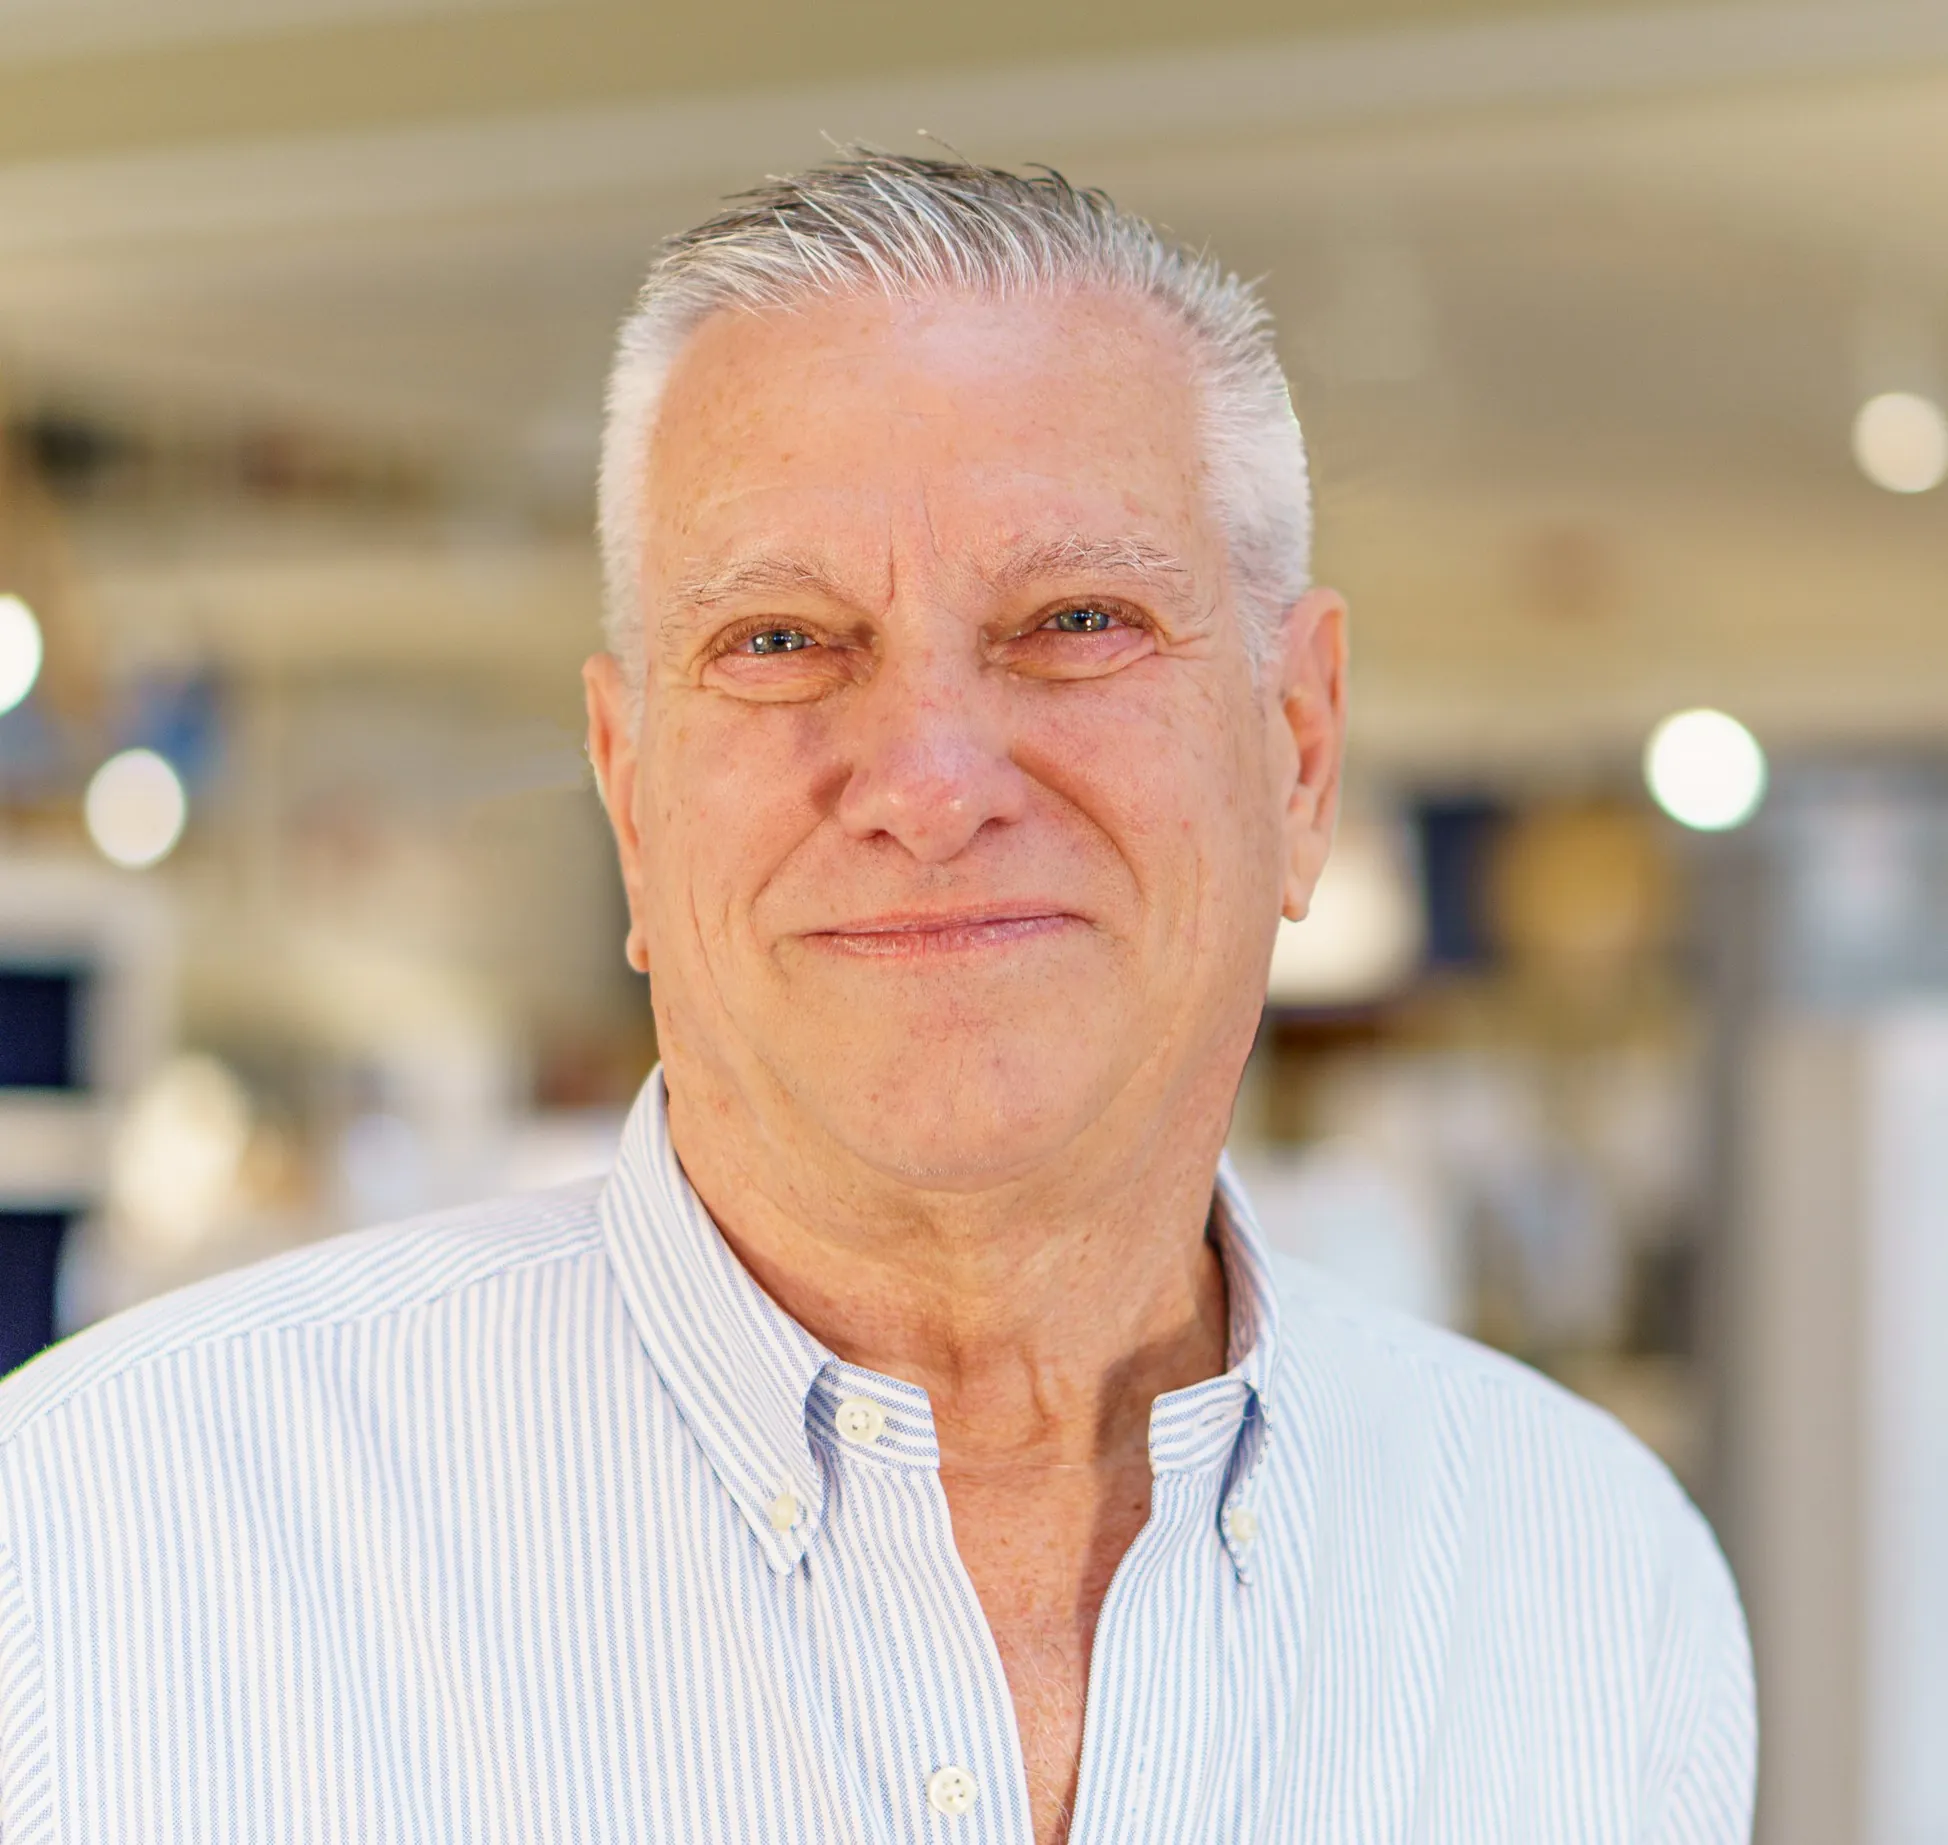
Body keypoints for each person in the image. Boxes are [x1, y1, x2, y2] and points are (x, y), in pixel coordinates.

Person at [0, 154, 1753, 1844]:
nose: (925, 777)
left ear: (1297, 751)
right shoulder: (95, 1551)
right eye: (777, 643)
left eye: (1074, 620)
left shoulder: (1589, 1580)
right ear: (630, 794)